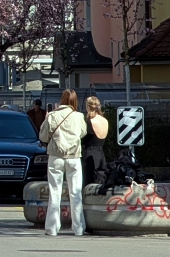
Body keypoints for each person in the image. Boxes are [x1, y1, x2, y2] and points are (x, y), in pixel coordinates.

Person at [39, 89, 88, 237]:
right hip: (73, 156)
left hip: (56, 156)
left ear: (61, 99)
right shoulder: (79, 116)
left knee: (55, 192)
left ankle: (52, 228)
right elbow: (83, 133)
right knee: (76, 192)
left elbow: (43, 136)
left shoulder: (52, 115)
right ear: (74, 101)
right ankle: (78, 228)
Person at [82, 97, 109, 187]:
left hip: (89, 153)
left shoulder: (90, 121)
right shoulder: (105, 120)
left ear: (88, 107)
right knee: (100, 180)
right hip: (101, 153)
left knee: (88, 183)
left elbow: (83, 138)